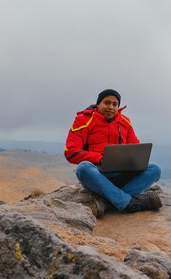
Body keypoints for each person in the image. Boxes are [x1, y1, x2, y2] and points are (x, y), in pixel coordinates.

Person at [64, 89, 162, 218]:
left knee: (155, 169)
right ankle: (129, 203)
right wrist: (100, 159)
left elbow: (135, 148)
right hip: (98, 177)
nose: (111, 107)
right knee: (83, 168)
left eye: (115, 104)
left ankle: (108, 203)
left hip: (123, 174)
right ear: (98, 104)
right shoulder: (84, 120)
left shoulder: (124, 121)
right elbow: (70, 152)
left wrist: (134, 161)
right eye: (107, 103)